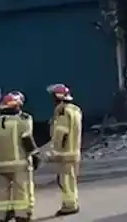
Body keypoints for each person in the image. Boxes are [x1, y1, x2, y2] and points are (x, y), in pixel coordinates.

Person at [0, 93, 39, 222]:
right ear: (17, 106)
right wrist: (35, 155)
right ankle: (21, 215)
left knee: (3, 191)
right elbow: (27, 141)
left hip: (0, 165)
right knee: (20, 190)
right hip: (18, 164)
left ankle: (2, 216)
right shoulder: (21, 121)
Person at [47, 83, 82, 216]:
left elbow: (61, 133)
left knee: (65, 181)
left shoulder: (62, 111)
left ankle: (69, 206)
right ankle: (73, 202)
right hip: (74, 151)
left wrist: (54, 151)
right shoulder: (75, 109)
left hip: (65, 153)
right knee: (71, 180)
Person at [8, 91, 37, 217]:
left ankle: (28, 208)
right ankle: (13, 210)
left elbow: (27, 138)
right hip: (10, 156)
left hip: (23, 156)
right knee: (10, 186)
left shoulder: (25, 118)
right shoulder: (4, 120)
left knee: (25, 185)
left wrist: (34, 154)